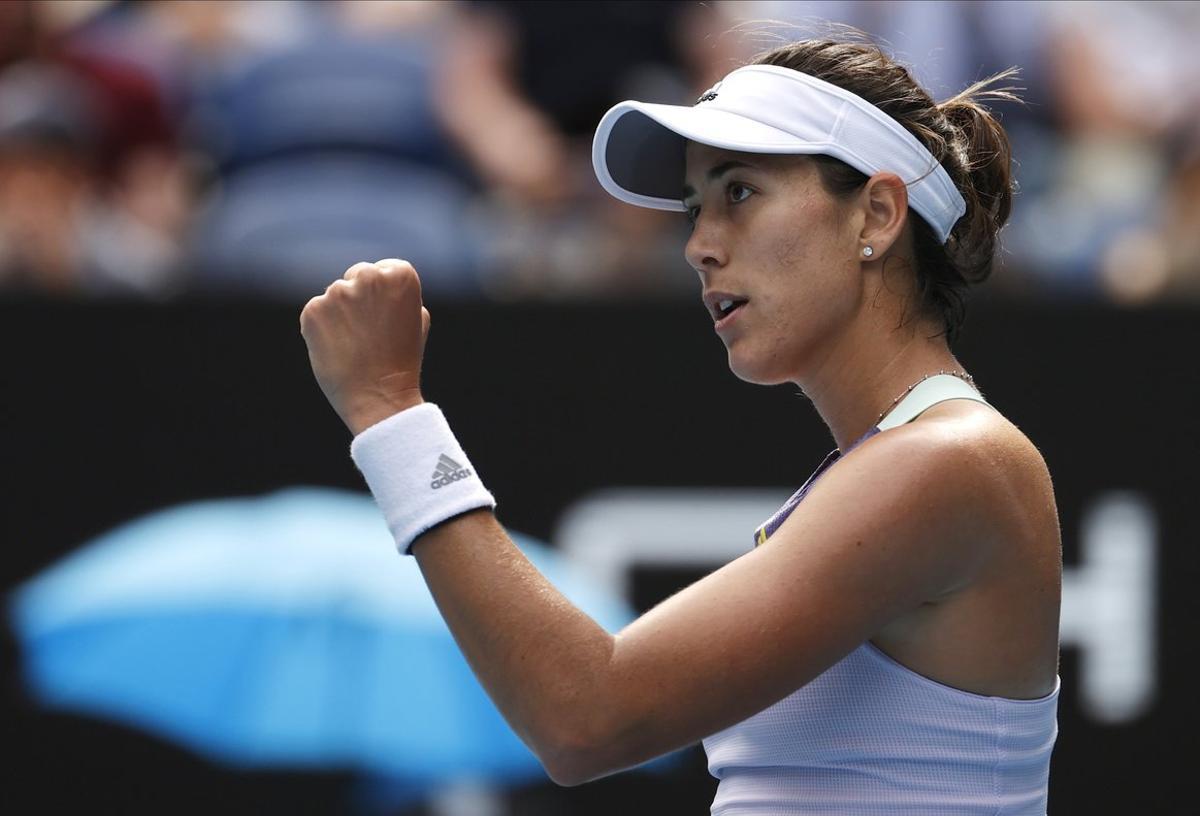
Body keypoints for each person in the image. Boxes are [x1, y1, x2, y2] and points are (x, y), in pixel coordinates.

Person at [299, 37, 1062, 815]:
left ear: (876, 212)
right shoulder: (893, 468)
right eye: (696, 209)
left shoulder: (950, 461)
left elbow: (586, 716)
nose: (698, 245)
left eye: (739, 193)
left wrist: (392, 411)